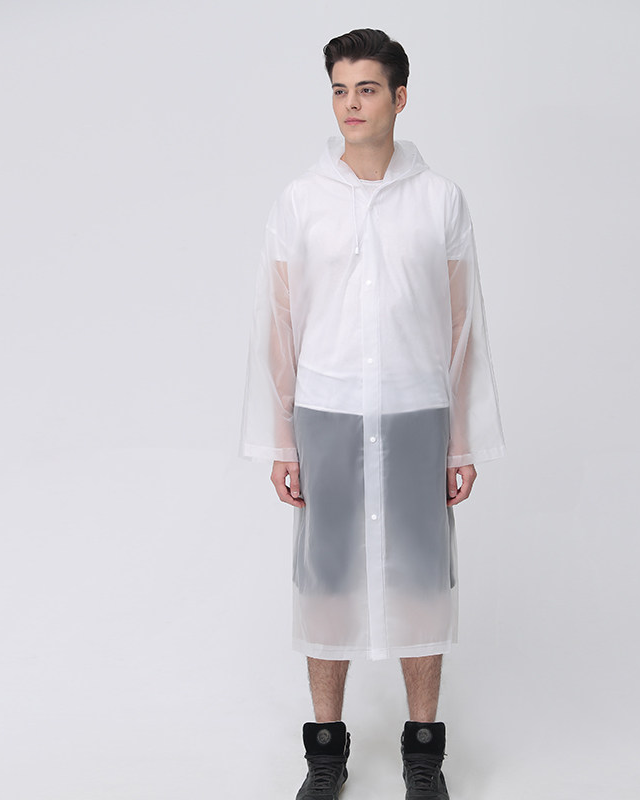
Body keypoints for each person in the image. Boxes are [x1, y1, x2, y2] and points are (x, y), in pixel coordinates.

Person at [239, 28, 506, 800]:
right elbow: (277, 325)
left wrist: (462, 443)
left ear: (399, 97)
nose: (351, 104)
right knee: (326, 586)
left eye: (366, 88)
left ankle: (424, 753)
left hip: (418, 412)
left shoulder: (440, 199)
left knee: (423, 584)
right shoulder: (301, 201)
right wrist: (282, 441)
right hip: (326, 413)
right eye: (339, 89)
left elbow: (464, 327)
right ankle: (326, 754)